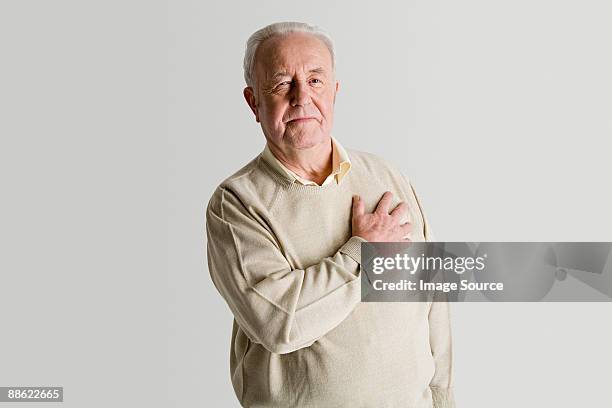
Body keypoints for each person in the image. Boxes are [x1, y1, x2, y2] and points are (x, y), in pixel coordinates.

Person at [205, 21, 455, 407]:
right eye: (281, 83)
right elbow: (279, 322)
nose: (302, 97)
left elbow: (432, 305)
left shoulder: (387, 177)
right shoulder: (236, 204)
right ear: (254, 102)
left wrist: (444, 399)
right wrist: (362, 254)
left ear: (335, 91)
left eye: (316, 80)